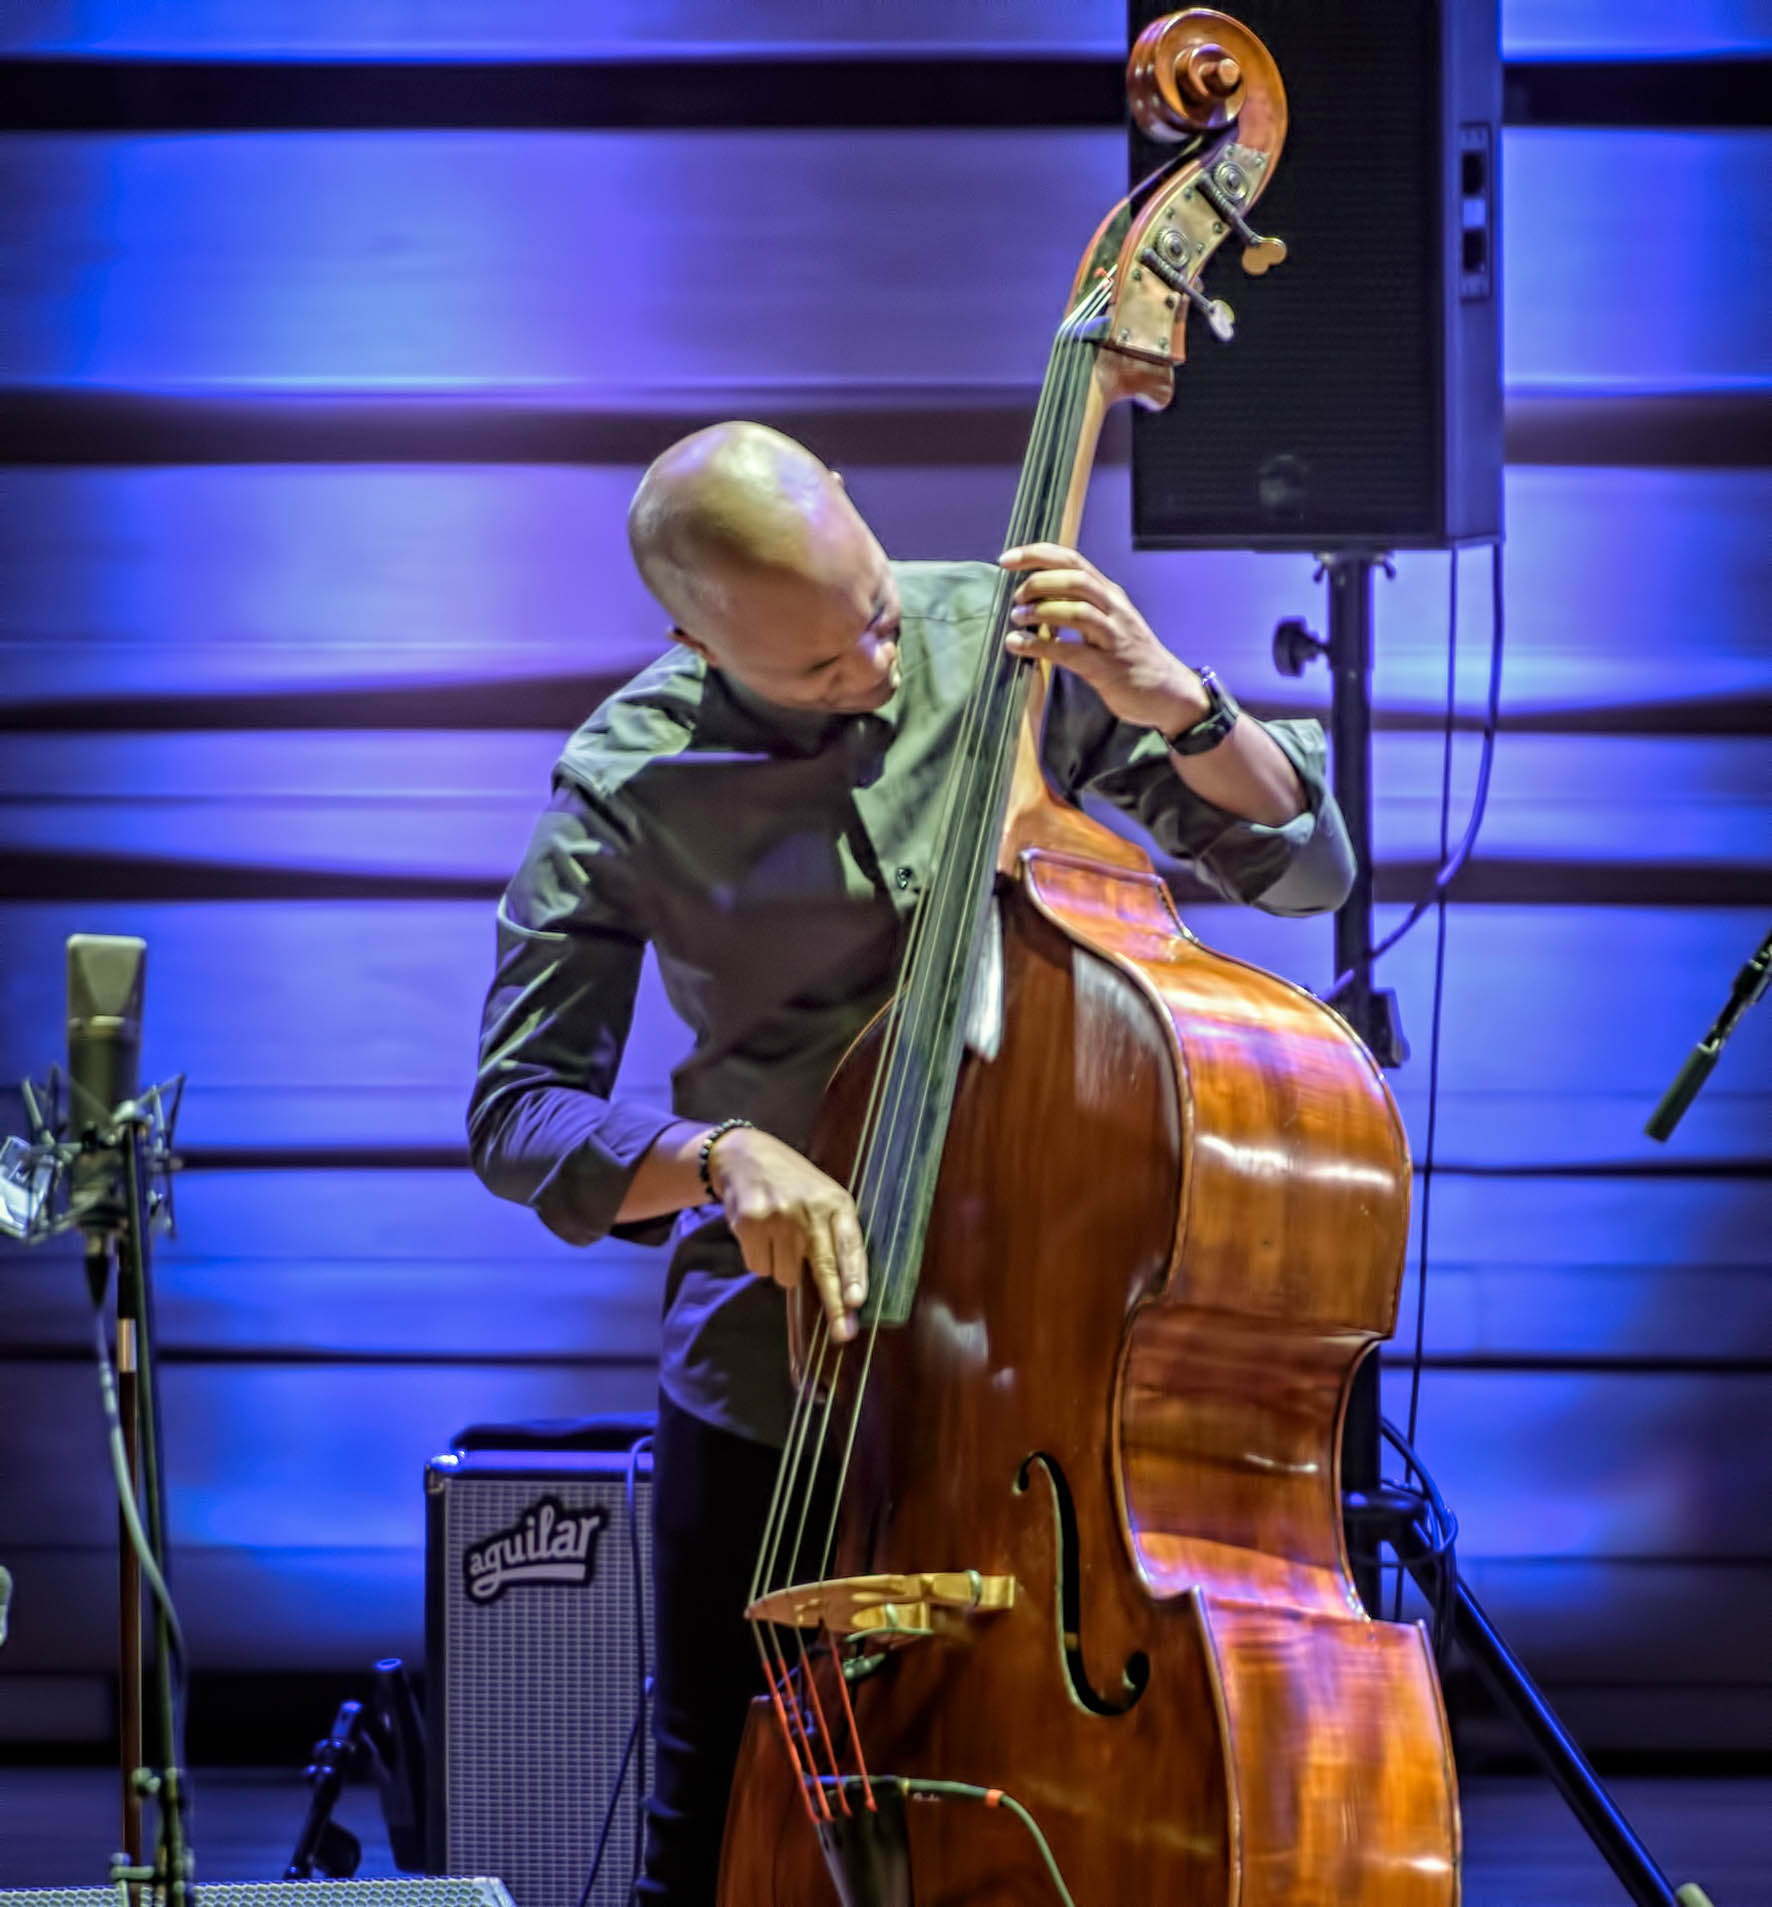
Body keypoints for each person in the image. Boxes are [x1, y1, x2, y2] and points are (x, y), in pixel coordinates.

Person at [468, 421, 1354, 1902]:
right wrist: (715, 1155)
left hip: (1058, 1372)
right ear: (694, 635)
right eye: (820, 668)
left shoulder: (1006, 641)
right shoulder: (626, 782)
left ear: (863, 520)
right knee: (720, 1828)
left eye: (877, 613)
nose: (878, 667)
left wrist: (1180, 705)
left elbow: (1309, 869)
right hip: (787, 1383)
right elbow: (520, 1115)